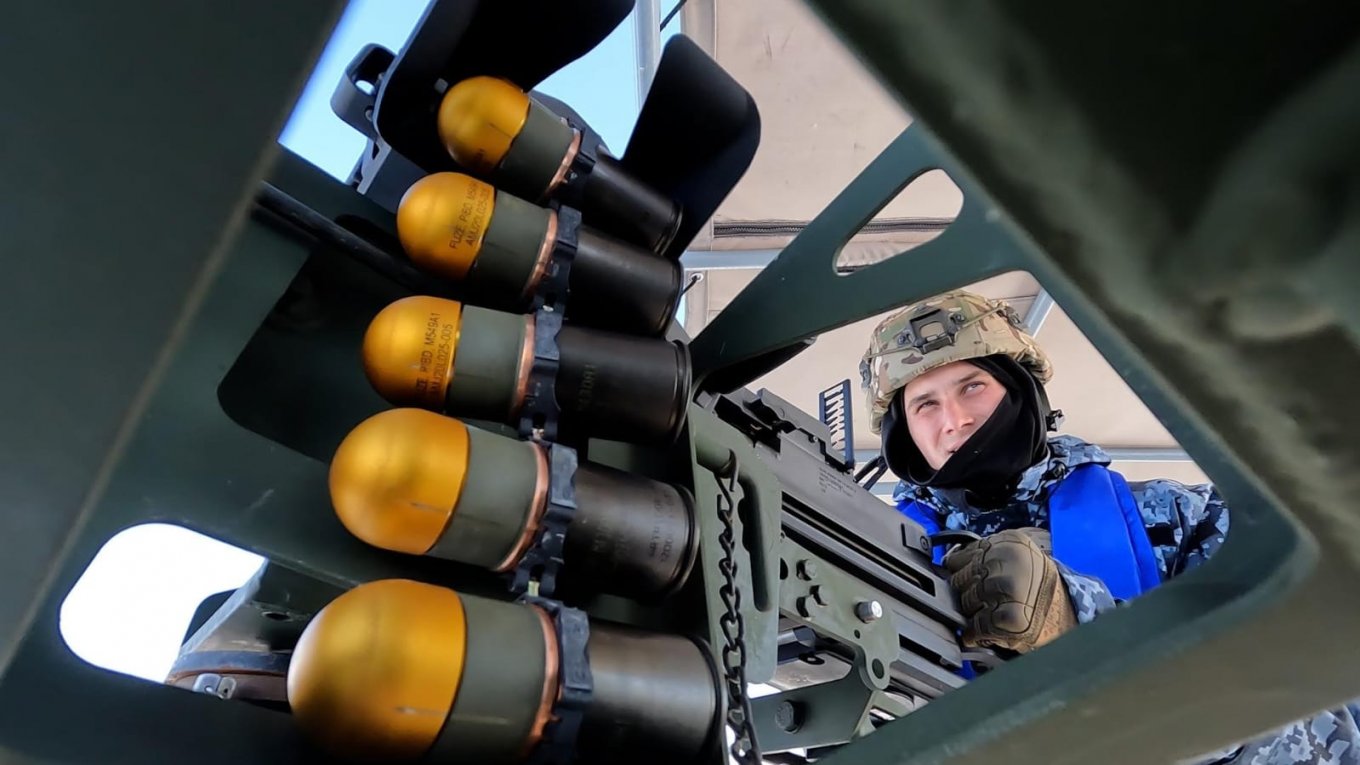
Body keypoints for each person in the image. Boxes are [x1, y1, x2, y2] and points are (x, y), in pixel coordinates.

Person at [860, 290, 1360, 764]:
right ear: (903, 436)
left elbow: (1314, 732)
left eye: (973, 387)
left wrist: (1078, 622)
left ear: (1022, 392)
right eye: (925, 404)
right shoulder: (873, 559)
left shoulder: (1186, 518)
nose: (956, 420)